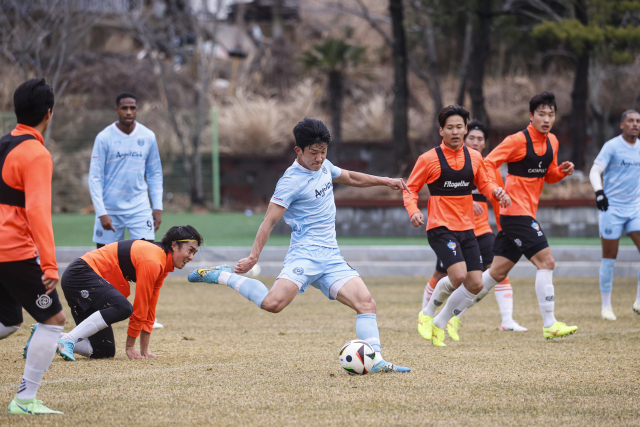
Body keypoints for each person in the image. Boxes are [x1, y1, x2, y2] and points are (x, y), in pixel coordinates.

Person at [189, 117, 410, 372]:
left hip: (331, 256)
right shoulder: (290, 182)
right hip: (304, 255)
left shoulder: (324, 165)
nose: (319, 158)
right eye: (313, 153)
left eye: (323, 151)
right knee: (273, 304)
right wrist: (253, 257)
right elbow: (269, 221)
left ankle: (376, 360)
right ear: (298, 151)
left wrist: (385, 181)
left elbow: (350, 177)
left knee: (366, 303)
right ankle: (223, 276)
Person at [404, 105, 511, 347]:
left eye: (459, 127)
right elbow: (411, 189)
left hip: (467, 228)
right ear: (441, 130)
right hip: (440, 227)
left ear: (465, 129)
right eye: (449, 127)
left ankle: (441, 323)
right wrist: (413, 211)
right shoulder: (428, 159)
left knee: (476, 283)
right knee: (458, 275)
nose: (455, 131)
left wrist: (497, 191)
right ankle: (427, 314)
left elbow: (484, 185)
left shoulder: (475, 157)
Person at [482, 91, 578, 340]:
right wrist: (495, 188)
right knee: (547, 262)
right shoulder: (517, 140)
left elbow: (549, 175)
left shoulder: (553, 142)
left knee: (496, 273)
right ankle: (550, 324)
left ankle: (440, 317)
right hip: (515, 213)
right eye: (541, 114)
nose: (546, 119)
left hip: (524, 213)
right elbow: (487, 163)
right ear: (531, 116)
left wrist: (561, 172)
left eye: (551, 114)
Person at [0, 78, 66, 415]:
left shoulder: (2, 145)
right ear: (48, 114)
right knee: (53, 319)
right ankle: (25, 400)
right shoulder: (36, 154)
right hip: (11, 252)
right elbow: (38, 212)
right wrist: (50, 265)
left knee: (10, 320)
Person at [54, 226, 202, 361]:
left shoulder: (163, 265)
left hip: (82, 278)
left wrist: (145, 351)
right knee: (122, 307)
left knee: (103, 351)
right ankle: (68, 340)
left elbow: (150, 307)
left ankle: (46, 338)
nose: (191, 257)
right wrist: (130, 346)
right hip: (80, 274)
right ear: (174, 245)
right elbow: (141, 304)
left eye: (194, 253)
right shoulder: (153, 260)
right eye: (190, 250)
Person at [89, 92, 165, 329]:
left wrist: (157, 207)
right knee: (102, 265)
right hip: (110, 210)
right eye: (124, 108)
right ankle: (103, 314)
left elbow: (154, 174)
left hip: (140, 209)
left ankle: (145, 315)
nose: (129, 112)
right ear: (116, 110)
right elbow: (94, 177)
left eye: (133, 108)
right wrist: (101, 211)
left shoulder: (148, 136)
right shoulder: (104, 138)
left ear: (137, 109)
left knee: (149, 263)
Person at [589, 110, 640, 320]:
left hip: (635, 209)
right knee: (609, 257)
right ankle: (606, 306)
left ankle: (638, 301)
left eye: (638, 121)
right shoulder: (612, 146)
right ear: (622, 124)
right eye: (630, 121)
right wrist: (600, 193)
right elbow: (594, 171)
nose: (635, 124)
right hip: (611, 209)